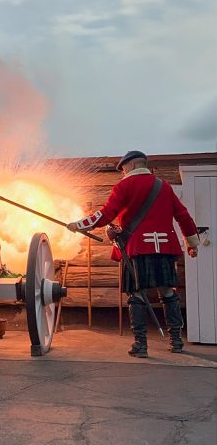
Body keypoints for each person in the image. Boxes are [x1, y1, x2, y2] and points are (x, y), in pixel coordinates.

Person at [67, 151, 199, 357]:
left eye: (124, 169)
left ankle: (141, 345)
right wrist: (192, 243)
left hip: (137, 249)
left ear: (130, 166)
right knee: (168, 293)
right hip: (164, 249)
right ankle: (176, 342)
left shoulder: (124, 187)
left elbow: (106, 214)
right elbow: (183, 216)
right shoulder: (163, 186)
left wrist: (80, 224)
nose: (122, 173)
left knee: (136, 295)